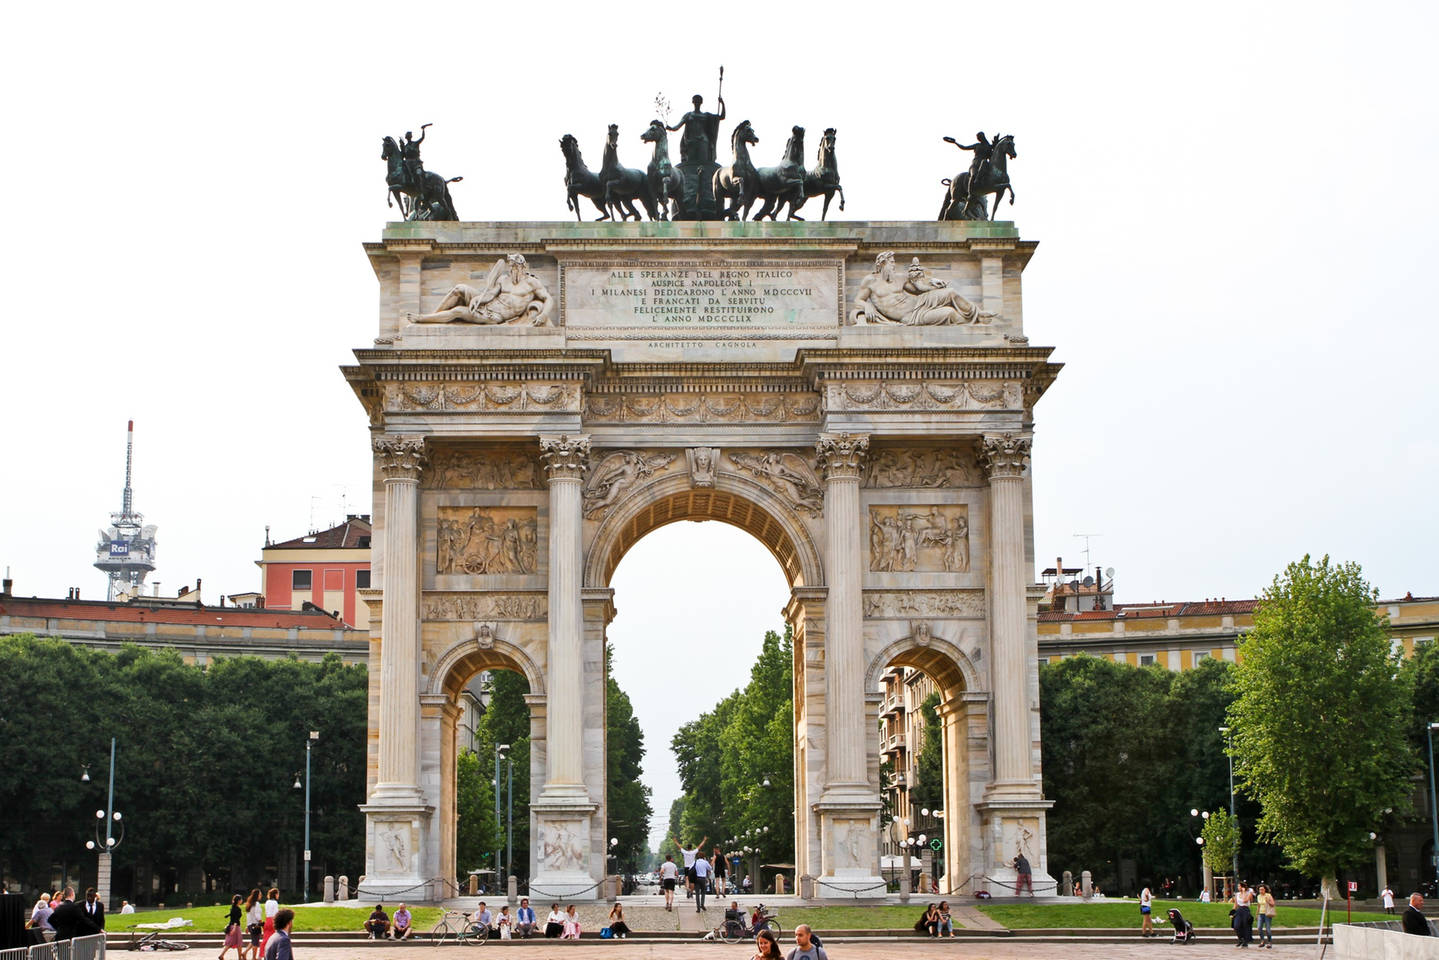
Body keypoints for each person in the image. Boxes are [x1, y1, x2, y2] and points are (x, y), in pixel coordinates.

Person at [220, 894, 245, 960]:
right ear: (239, 901)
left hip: (231, 926)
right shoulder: (238, 909)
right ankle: (240, 958)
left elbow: (232, 917)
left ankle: (222, 955)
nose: (242, 901)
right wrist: (234, 928)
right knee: (239, 943)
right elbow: (236, 919)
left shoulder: (233, 908)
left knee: (229, 943)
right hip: (236, 927)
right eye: (241, 899)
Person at [1231, 880, 1255, 947]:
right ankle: (1240, 939)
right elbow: (1235, 904)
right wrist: (1232, 912)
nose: (1238, 887)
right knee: (1236, 926)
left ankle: (1245, 941)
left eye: (1239, 886)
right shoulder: (1237, 894)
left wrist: (1244, 892)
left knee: (1245, 926)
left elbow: (1245, 901)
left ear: (1243, 887)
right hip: (1239, 910)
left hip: (1246, 910)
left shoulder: (1249, 893)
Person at [245, 889, 264, 958]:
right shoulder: (257, 904)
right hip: (255, 925)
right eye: (260, 894)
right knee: (256, 942)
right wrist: (261, 923)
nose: (261, 896)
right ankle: (253, 957)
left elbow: (248, 916)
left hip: (250, 924)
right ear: (257, 895)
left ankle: (244, 953)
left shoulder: (249, 904)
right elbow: (257, 915)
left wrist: (247, 926)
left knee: (254, 941)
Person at [1256, 883, 1276, 949]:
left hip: (1267, 913)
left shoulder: (1268, 895)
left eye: (1262, 889)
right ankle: (1262, 941)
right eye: (1260, 889)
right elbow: (1258, 906)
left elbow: (1273, 904)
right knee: (1259, 928)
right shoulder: (1258, 896)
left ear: (1265, 890)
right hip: (1261, 914)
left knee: (1268, 929)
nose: (1261, 891)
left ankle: (1269, 942)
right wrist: (1257, 914)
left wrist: (1268, 901)